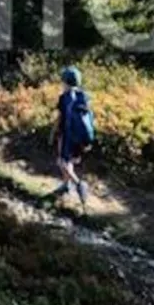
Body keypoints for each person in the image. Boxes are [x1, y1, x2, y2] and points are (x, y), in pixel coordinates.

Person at [51, 66, 94, 206]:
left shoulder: (64, 98)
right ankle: (65, 186)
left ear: (66, 82)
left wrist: (53, 132)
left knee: (63, 162)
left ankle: (79, 184)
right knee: (68, 162)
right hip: (80, 138)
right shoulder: (84, 96)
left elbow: (60, 118)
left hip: (67, 136)